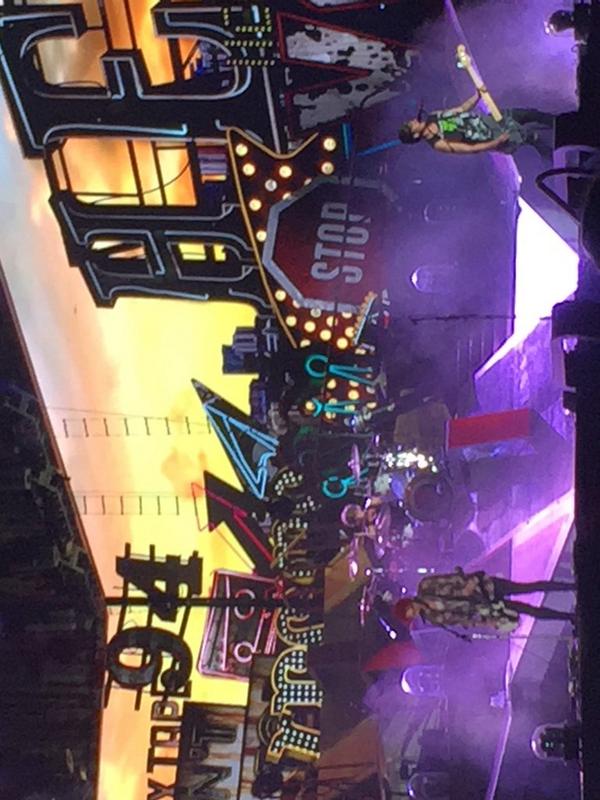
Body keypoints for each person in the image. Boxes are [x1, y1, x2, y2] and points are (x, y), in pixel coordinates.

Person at [382, 568, 575, 633]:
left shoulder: (425, 586)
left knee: (527, 588)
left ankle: (570, 586)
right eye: (410, 616)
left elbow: (450, 578)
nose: (413, 614)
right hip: (485, 607)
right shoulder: (432, 617)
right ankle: (569, 617)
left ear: (409, 604)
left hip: (485, 587)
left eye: (409, 611)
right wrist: (486, 623)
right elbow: (461, 619)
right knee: (529, 611)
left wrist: (469, 584)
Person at [398, 89, 554, 157]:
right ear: (415, 134)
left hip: (491, 120)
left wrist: (477, 96)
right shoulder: (438, 143)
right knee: (532, 137)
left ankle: (559, 122)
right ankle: (555, 157)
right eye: (411, 125)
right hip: (494, 136)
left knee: (529, 114)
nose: (414, 120)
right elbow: (471, 148)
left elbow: (461, 109)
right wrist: (496, 143)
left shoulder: (433, 116)